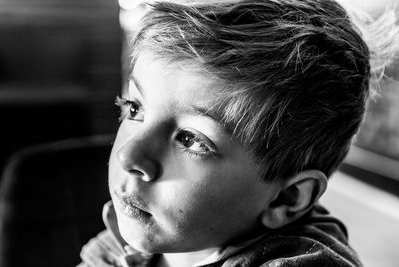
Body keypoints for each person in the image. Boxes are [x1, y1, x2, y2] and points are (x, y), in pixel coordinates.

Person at [78, 0, 398, 266]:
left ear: (286, 199)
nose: (129, 155)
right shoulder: (126, 239)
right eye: (134, 109)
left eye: (192, 139)